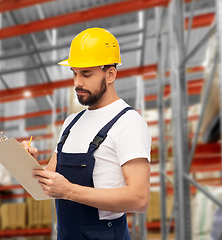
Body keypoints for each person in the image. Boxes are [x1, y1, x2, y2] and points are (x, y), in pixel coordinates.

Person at [22, 27, 151, 240]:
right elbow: (48, 187)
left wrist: (69, 191)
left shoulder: (128, 122)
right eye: (74, 73)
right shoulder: (71, 123)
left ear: (110, 74)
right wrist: (28, 164)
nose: (77, 83)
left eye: (86, 74)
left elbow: (139, 199)